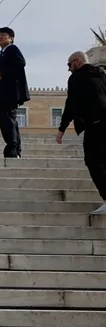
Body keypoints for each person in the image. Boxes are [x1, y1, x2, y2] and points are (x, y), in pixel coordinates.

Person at [56, 51, 106, 215]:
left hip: (95, 126)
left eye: (69, 65)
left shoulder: (76, 78)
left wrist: (62, 128)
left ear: (77, 62)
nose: (69, 69)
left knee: (93, 161)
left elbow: (71, 104)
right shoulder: (101, 74)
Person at [0, 27, 30, 158]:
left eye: (3, 35)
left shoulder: (12, 49)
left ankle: (12, 148)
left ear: (11, 38)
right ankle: (15, 148)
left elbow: (21, 62)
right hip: (5, 94)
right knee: (9, 120)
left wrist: (2, 71)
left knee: (7, 121)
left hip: (8, 94)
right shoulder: (4, 53)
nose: (0, 37)